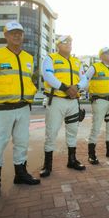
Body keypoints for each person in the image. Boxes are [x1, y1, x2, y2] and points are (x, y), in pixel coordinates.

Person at [0, 21, 40, 201]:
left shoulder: (29, 58)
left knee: (22, 142)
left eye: (20, 33)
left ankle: (20, 175)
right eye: (13, 33)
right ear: (6, 35)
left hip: (23, 108)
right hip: (3, 109)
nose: (17, 36)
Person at [39, 35, 87, 177]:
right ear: (58, 45)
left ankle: (72, 160)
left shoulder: (77, 61)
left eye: (70, 42)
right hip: (57, 100)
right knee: (51, 132)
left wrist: (77, 87)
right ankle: (47, 165)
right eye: (65, 42)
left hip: (73, 101)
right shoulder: (50, 58)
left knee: (72, 131)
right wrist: (66, 88)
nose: (68, 44)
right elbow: (48, 76)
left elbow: (84, 79)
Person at [85, 47, 109, 164]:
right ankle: (91, 154)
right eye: (108, 53)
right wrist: (89, 93)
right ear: (101, 55)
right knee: (96, 127)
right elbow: (85, 80)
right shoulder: (94, 67)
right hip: (99, 101)